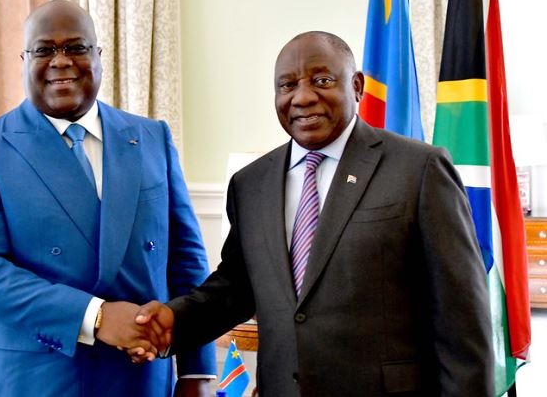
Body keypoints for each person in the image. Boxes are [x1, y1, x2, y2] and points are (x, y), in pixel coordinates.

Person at [134, 31, 494, 396]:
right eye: (287, 85)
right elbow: (235, 288)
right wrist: (173, 320)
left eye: (322, 80)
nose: (303, 97)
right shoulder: (250, 184)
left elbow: (462, 319)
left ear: (356, 86)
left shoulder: (419, 169)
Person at [0, 0, 215, 397]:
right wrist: (97, 317)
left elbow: (186, 262)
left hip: (140, 379)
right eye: (44, 49)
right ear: (23, 59)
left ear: (99, 55)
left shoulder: (153, 137)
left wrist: (196, 372)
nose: (61, 61)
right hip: (33, 379)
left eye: (76, 47)